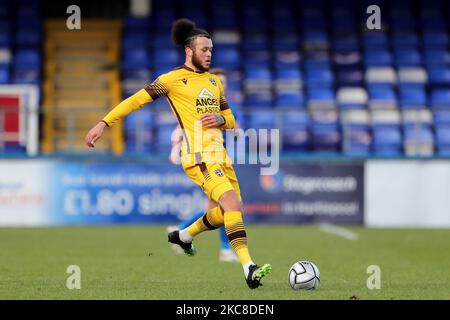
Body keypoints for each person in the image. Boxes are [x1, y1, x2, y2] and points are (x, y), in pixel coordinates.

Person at [84, 18, 271, 289]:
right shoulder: (171, 80)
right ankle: (248, 267)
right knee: (231, 205)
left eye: (211, 50)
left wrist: (220, 120)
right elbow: (135, 100)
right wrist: (104, 123)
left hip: (221, 156)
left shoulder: (213, 82)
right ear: (188, 50)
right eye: (204, 49)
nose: (209, 54)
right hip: (198, 156)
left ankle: (184, 235)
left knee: (230, 210)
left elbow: (230, 118)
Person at [168, 67, 239, 263]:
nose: (221, 85)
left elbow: (234, 126)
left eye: (224, 82)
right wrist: (174, 150)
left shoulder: (221, 104)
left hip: (219, 159)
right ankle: (223, 249)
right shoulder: (199, 105)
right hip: (204, 160)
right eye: (219, 82)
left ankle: (182, 231)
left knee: (216, 211)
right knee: (225, 208)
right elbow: (181, 128)